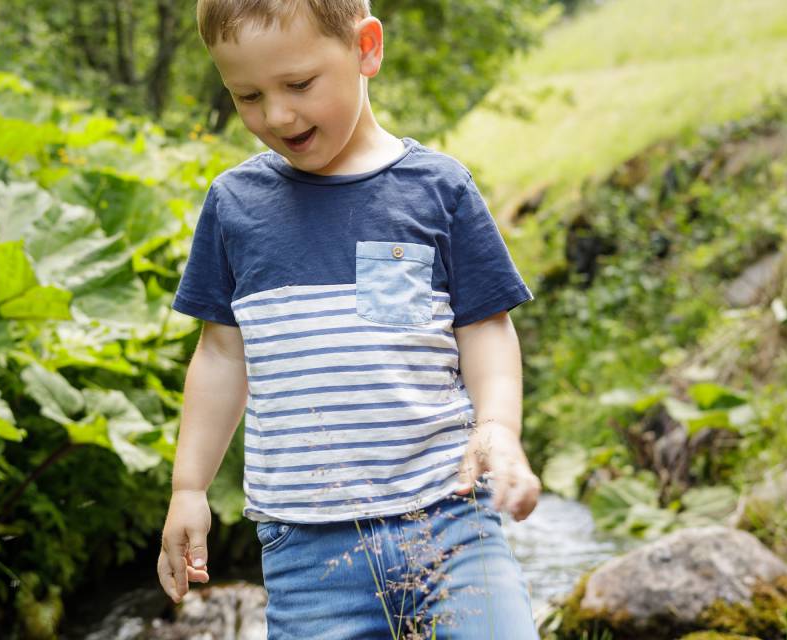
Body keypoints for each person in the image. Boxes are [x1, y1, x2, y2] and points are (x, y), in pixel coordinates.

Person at [157, 1, 542, 637]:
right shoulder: (234, 207)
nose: (277, 115)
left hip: (448, 520)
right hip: (310, 552)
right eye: (247, 95)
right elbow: (223, 356)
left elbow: (486, 328)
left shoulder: (437, 189)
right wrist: (189, 488)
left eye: (299, 84)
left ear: (366, 49)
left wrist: (498, 426)